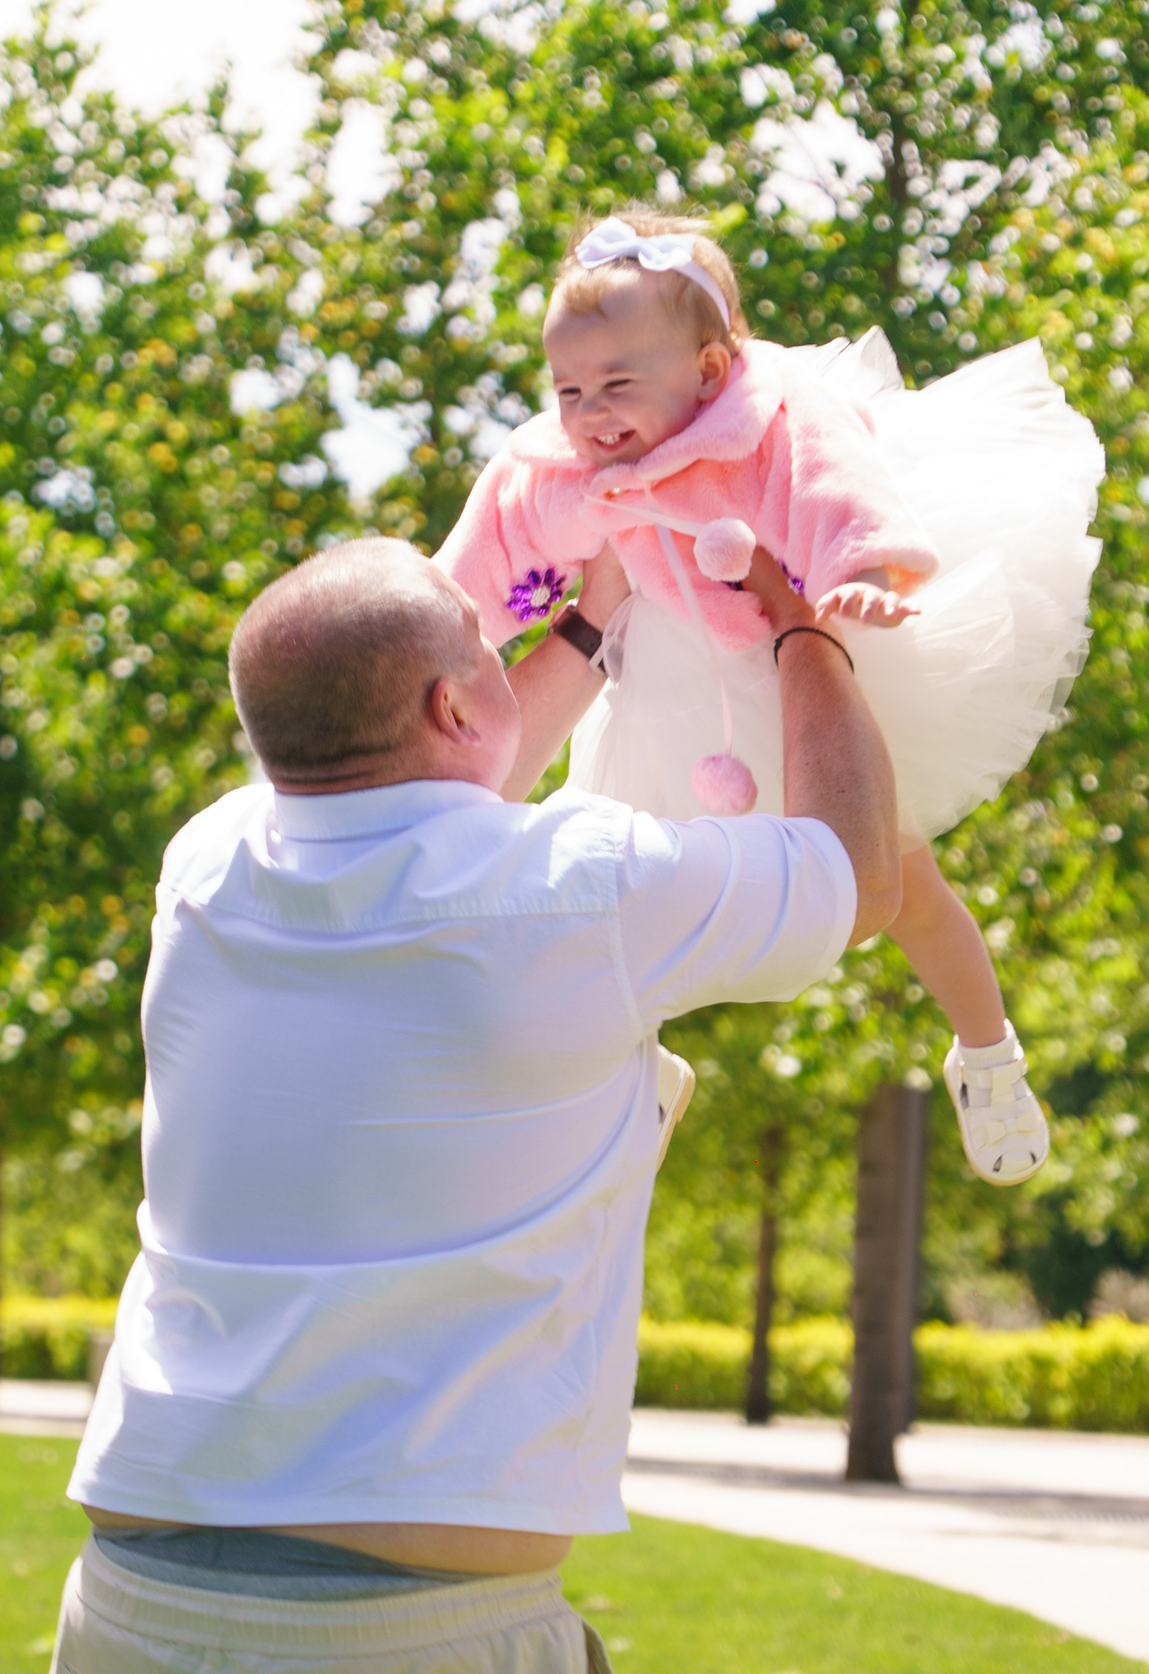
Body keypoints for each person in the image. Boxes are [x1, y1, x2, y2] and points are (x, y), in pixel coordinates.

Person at [53, 535, 902, 1672]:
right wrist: (804, 631)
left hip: (128, 1599)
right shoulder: (582, 884)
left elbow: (426, 795)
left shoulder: (207, 865)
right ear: (456, 703)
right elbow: (854, 873)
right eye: (490, 652)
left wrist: (591, 627)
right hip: (406, 1631)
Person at [434, 209, 1105, 1190]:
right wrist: (440, 632)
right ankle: (635, 1076)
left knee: (902, 886)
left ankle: (987, 1049)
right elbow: (487, 553)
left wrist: (865, 569)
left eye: (620, 384)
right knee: (599, 891)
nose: (591, 413)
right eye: (570, 388)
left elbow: (836, 489)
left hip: (789, 671)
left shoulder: (765, 419)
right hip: (664, 687)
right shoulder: (557, 465)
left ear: (708, 372)